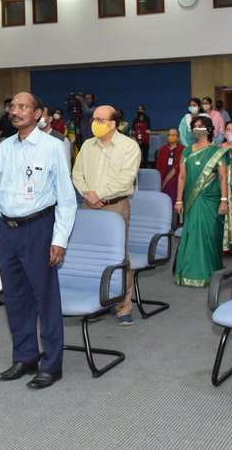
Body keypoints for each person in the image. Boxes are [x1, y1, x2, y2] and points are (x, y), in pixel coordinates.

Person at [0, 92, 77, 390]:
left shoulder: (53, 146)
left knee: (45, 299)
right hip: (6, 231)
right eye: (12, 107)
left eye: (23, 107)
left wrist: (59, 239)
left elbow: (66, 198)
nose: (16, 111)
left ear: (38, 113)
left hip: (39, 228)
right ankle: (25, 357)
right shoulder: (3, 147)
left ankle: (52, 364)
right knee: (14, 298)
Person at [72, 105, 141, 325]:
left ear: (112, 124)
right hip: (88, 206)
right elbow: (77, 173)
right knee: (89, 257)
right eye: (94, 119)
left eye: (100, 119)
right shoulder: (87, 145)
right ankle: (95, 302)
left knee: (119, 257)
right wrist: (89, 194)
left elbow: (125, 179)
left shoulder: (129, 146)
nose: (94, 123)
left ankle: (123, 306)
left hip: (115, 206)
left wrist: (99, 194)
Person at [173, 116, 231, 287]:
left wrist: (223, 201)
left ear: (209, 129)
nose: (197, 129)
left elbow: (222, 178)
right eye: (194, 126)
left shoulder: (217, 151)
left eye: (201, 126)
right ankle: (190, 272)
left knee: (209, 235)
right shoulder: (186, 151)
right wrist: (178, 201)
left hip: (211, 200)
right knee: (191, 234)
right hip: (191, 198)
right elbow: (182, 177)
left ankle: (210, 272)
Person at [155, 128, 186, 204]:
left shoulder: (183, 149)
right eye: (169, 135)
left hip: (177, 180)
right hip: (164, 180)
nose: (171, 136)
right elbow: (158, 166)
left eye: (173, 135)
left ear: (178, 138)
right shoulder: (163, 149)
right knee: (165, 201)